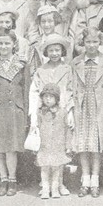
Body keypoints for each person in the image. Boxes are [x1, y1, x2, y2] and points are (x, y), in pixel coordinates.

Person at [71, 27, 103, 199]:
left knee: (96, 145)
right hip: (82, 107)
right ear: (83, 43)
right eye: (88, 42)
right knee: (83, 145)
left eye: (95, 42)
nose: (91, 45)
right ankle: (85, 179)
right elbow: (72, 85)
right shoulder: (76, 62)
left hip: (100, 107)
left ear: (100, 42)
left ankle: (95, 180)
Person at [0, 29, 29, 197]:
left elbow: (25, 90)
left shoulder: (22, 64)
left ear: (14, 45)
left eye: (7, 43)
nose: (4, 46)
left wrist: (24, 112)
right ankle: (3, 179)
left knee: (11, 148)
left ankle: (12, 180)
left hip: (14, 110)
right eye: (1, 43)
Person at [28, 34, 75, 195]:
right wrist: (34, 114)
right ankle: (45, 184)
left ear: (62, 51)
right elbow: (34, 92)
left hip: (61, 112)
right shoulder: (41, 70)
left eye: (57, 50)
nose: (54, 53)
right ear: (46, 52)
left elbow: (70, 91)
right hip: (44, 113)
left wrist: (69, 111)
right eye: (51, 50)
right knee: (45, 147)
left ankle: (59, 184)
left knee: (59, 148)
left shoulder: (67, 69)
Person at [34, 84, 73, 199]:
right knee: (44, 169)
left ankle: (56, 189)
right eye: (45, 96)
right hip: (44, 146)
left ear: (57, 98)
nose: (48, 99)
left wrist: (68, 145)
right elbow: (38, 128)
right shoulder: (40, 112)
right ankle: (45, 189)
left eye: (51, 97)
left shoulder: (63, 112)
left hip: (58, 146)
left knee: (57, 169)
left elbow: (67, 130)